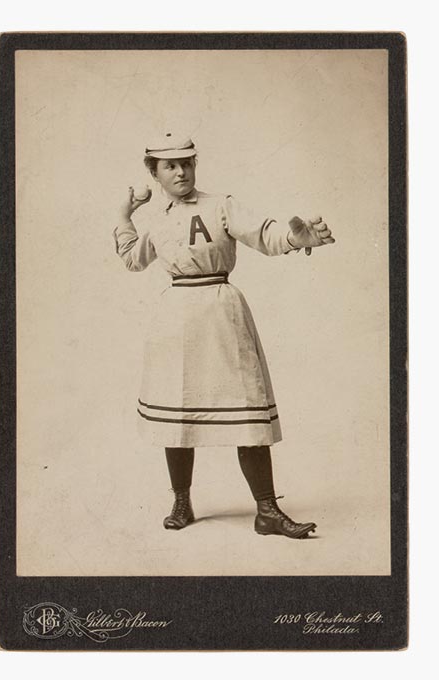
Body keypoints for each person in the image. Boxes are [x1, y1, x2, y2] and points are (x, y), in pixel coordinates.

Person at [113, 132, 335, 539]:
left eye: (187, 163)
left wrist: (295, 238)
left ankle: (267, 511)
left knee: (248, 411)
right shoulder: (157, 219)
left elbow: (265, 234)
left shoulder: (220, 205)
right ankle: (182, 503)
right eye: (170, 166)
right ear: (154, 172)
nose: (181, 172)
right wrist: (125, 216)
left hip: (222, 311)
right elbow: (132, 259)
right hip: (175, 320)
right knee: (177, 413)